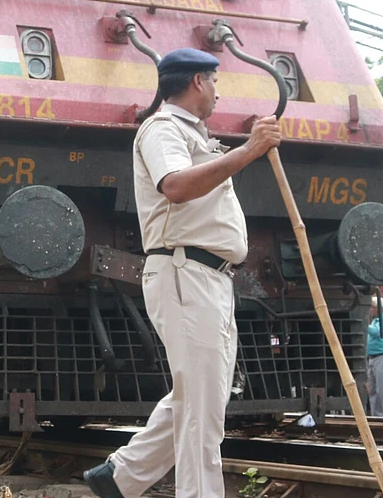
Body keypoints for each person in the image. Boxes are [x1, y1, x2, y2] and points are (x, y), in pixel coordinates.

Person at [83, 48, 282, 498]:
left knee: (200, 395)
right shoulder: (161, 129)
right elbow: (173, 185)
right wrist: (249, 150)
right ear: (197, 81)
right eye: (214, 81)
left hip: (206, 277)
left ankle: (118, 478)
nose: (217, 91)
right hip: (184, 271)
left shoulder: (193, 134)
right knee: (201, 407)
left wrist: (246, 150)